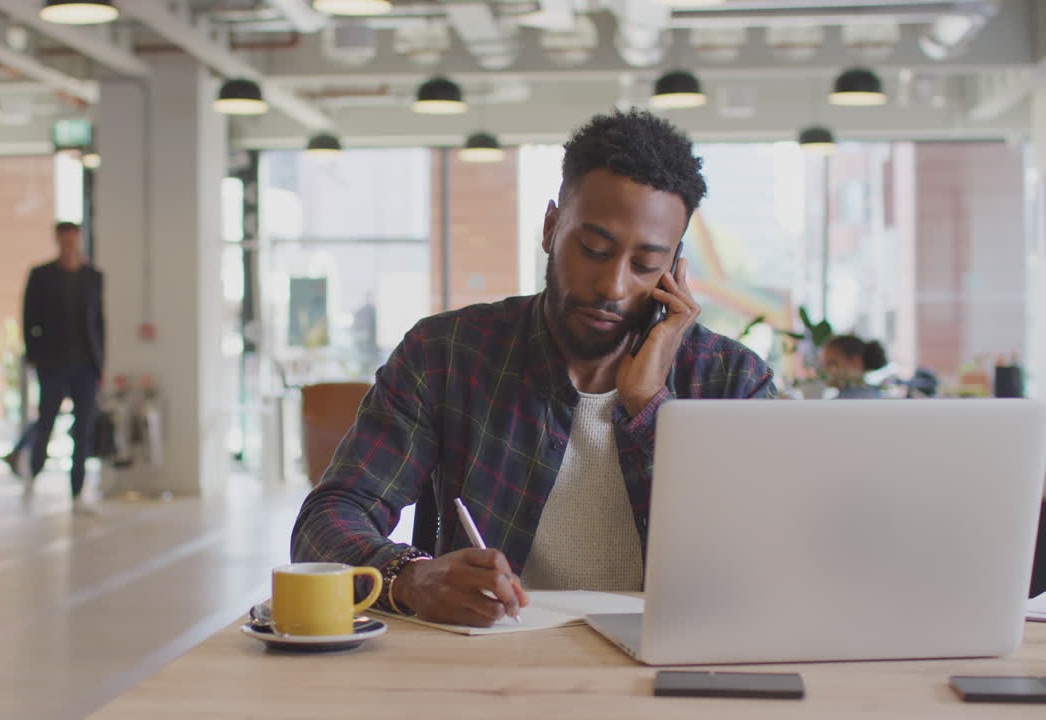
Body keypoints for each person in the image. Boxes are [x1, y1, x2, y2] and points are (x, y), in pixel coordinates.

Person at [290, 109, 777, 628]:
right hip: (492, 666)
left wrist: (650, 408)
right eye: (593, 249)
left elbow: (764, 560)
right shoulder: (448, 354)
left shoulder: (732, 382)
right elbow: (326, 520)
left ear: (674, 268)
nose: (612, 285)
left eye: (644, 264)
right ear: (551, 227)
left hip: (669, 666)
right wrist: (411, 578)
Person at [22, 221, 105, 514]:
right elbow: (29, 317)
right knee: (46, 421)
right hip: (53, 363)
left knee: (83, 428)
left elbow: (98, 322)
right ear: (58, 240)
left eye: (74, 239)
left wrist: (101, 364)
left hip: (85, 364)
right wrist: (33, 355)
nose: (69, 244)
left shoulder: (93, 277)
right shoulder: (42, 276)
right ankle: (34, 472)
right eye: (64, 239)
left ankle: (78, 488)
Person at [819, 334, 887, 398]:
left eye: (832, 363)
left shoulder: (859, 399)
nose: (825, 370)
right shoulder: (875, 394)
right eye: (823, 365)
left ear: (855, 362)